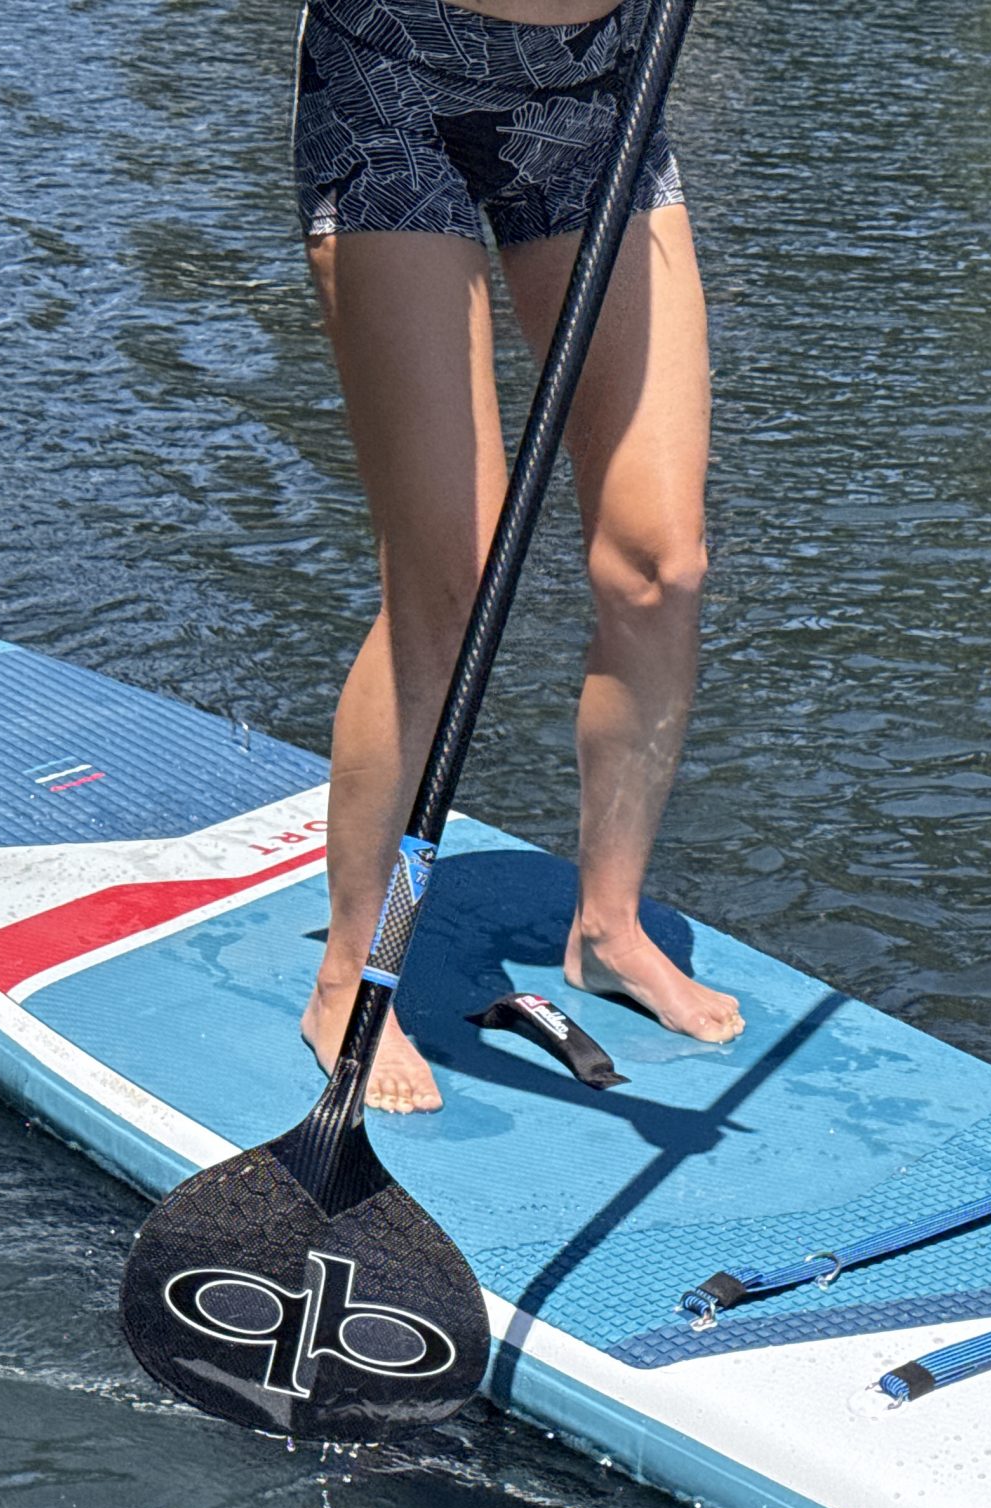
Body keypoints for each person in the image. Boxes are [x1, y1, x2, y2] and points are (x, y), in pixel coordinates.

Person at [290, 0, 741, 1115]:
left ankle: (608, 926)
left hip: (600, 88)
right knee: (454, 573)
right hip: (395, 78)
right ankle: (351, 968)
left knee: (658, 563)